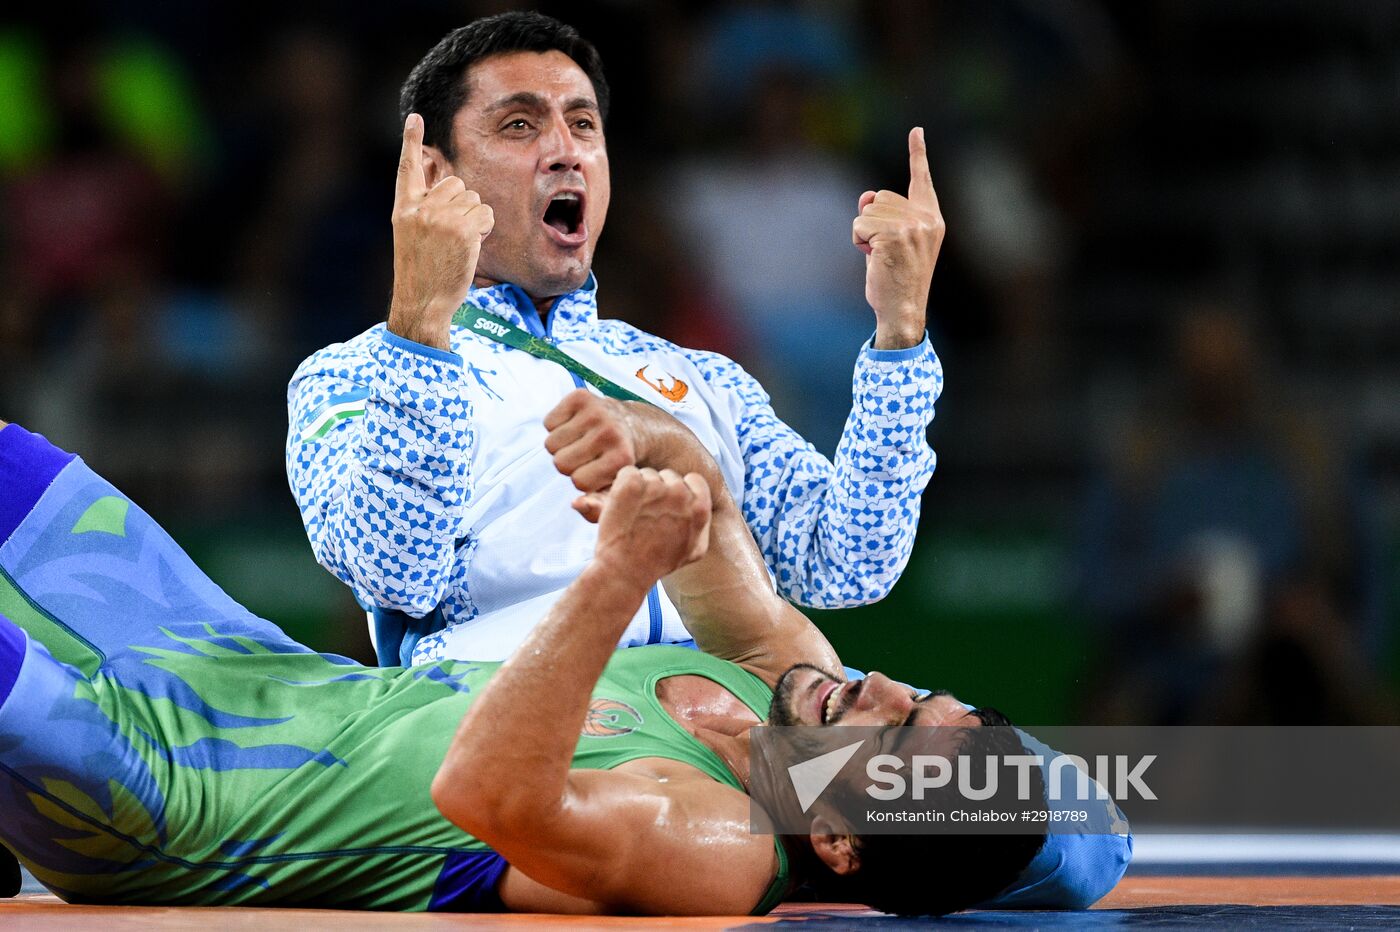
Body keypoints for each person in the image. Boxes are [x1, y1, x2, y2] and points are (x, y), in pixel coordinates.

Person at [0, 415, 1124, 915]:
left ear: (833, 837)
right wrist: (639, 438)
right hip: (231, 662)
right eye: (917, 697)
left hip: (166, 798)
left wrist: (616, 575)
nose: (879, 691)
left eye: (885, 736)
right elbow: (699, 486)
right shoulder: (783, 683)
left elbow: (484, 793)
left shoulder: (721, 850)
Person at [285, 11, 946, 664]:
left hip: (721, 730)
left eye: (582, 124)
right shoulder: (354, 375)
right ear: (432, 173)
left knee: (1014, 770)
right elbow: (393, 573)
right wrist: (422, 332)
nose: (564, 150)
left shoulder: (703, 377)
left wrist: (900, 335)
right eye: (519, 124)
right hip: (526, 736)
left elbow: (846, 564)